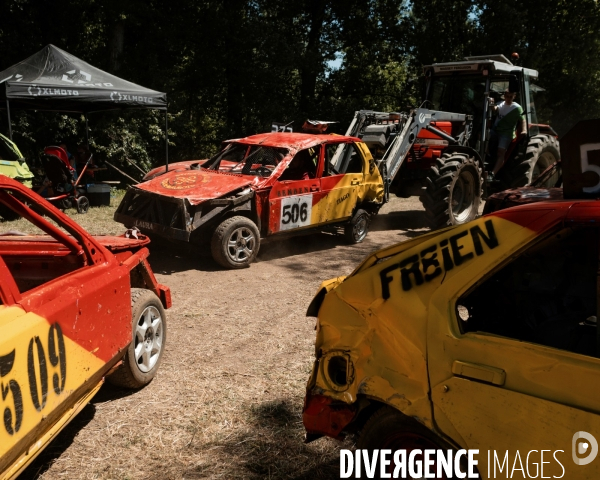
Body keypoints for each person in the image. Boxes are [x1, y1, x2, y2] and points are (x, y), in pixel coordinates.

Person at [488, 89, 527, 178]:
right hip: (496, 130)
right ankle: (487, 154)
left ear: (514, 97)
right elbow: (494, 109)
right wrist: (491, 103)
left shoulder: (517, 108)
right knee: (483, 135)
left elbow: (523, 120)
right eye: (507, 96)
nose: (509, 98)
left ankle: (492, 174)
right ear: (504, 96)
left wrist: (524, 130)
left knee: (500, 152)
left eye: (511, 97)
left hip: (506, 133)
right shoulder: (500, 104)